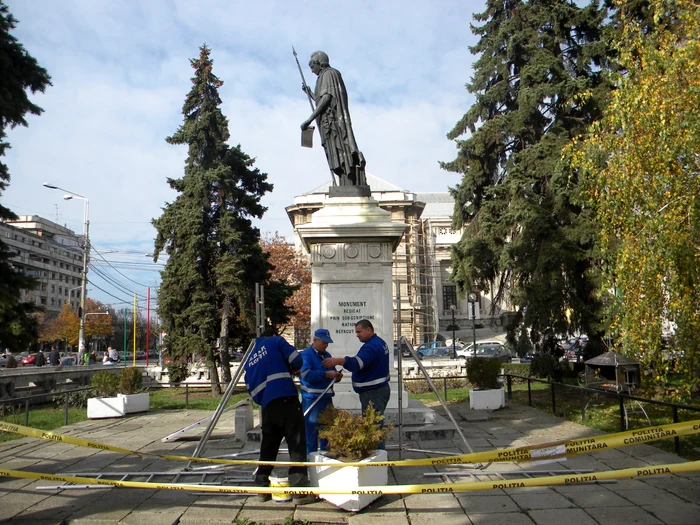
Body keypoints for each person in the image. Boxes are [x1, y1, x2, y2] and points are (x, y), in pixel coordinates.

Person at [243, 330, 315, 505]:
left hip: (268, 407)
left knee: (268, 447)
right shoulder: (276, 341)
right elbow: (297, 359)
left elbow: (251, 387)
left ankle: (261, 487)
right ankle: (299, 491)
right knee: (296, 444)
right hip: (287, 401)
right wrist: (293, 369)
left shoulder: (251, 358)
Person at [301, 51, 366, 187]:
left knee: (341, 150)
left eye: (313, 67)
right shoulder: (322, 77)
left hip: (334, 124)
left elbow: (327, 98)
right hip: (328, 124)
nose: (312, 71)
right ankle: (345, 180)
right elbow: (321, 99)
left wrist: (310, 119)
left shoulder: (329, 73)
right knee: (336, 153)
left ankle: (349, 180)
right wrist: (310, 93)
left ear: (319, 63)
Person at [322, 319, 390, 447]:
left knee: (373, 427)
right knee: (374, 425)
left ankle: (377, 458)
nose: (357, 335)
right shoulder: (378, 343)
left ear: (368, 330)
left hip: (373, 393)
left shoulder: (371, 347)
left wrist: (338, 360)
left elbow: (357, 364)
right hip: (376, 390)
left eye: (359, 332)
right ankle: (377, 454)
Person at [300, 328, 343, 456]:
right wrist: (326, 375)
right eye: (324, 342)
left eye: (327, 343)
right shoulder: (306, 355)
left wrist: (336, 376)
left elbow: (331, 374)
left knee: (327, 434)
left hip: (326, 399)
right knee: (311, 435)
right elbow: (307, 375)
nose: (326, 345)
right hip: (312, 400)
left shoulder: (327, 355)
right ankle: (310, 465)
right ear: (315, 340)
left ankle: (326, 461)